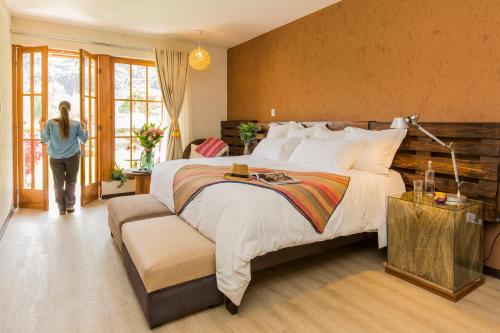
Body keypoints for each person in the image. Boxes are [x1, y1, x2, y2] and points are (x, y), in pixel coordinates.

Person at [41, 101, 88, 214]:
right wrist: (85, 126)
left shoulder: (50, 123)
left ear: (59, 109)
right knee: (71, 181)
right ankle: (69, 206)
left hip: (55, 158)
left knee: (58, 183)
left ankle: (61, 208)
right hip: (73, 157)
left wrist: (42, 127)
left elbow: (45, 140)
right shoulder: (76, 124)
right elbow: (83, 140)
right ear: (69, 110)